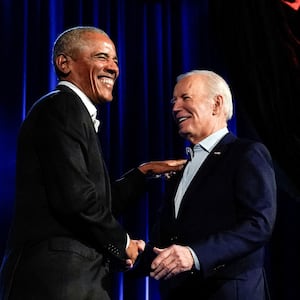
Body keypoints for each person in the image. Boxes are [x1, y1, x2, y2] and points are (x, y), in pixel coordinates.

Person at [0, 26, 186, 300]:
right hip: (55, 281)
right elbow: (77, 202)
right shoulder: (62, 107)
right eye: (102, 57)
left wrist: (143, 173)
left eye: (116, 61)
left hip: (75, 280)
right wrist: (124, 244)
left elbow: (93, 202)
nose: (113, 68)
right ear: (64, 63)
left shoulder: (73, 113)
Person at [131, 70, 277, 300]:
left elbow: (258, 224)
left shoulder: (246, 154)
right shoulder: (179, 170)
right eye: (173, 101)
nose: (175, 107)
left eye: (185, 98)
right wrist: (139, 253)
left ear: (216, 104)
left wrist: (195, 254)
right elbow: (169, 241)